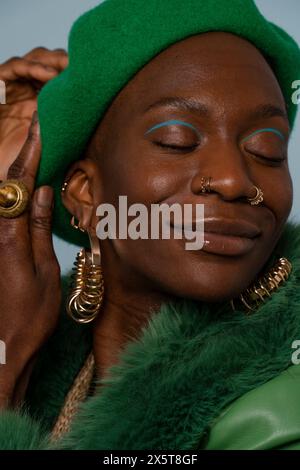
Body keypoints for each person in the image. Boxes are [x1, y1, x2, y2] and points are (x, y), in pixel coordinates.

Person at [0, 0, 300, 450]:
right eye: (176, 140)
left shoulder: (279, 417)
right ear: (85, 194)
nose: (235, 180)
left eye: (267, 149)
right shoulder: (54, 359)